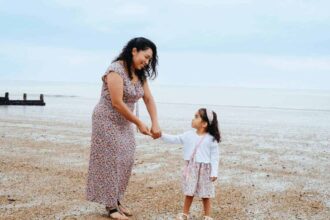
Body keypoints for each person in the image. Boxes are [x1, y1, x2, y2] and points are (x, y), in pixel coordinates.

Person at [86, 37, 161, 219]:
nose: (147, 61)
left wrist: (155, 122)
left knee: (126, 159)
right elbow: (117, 103)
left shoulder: (140, 73)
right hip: (106, 120)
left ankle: (117, 200)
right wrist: (139, 122)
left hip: (125, 122)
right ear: (134, 51)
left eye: (150, 59)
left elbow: (149, 98)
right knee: (111, 160)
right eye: (146, 56)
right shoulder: (116, 69)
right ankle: (111, 207)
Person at [160, 108, 221, 220]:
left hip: (205, 169)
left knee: (205, 194)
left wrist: (214, 172)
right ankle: (185, 213)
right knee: (189, 192)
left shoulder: (211, 139)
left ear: (204, 123)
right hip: (192, 168)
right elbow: (175, 139)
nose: (193, 118)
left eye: (196, 116)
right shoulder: (188, 135)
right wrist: (160, 135)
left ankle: (207, 216)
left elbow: (215, 157)